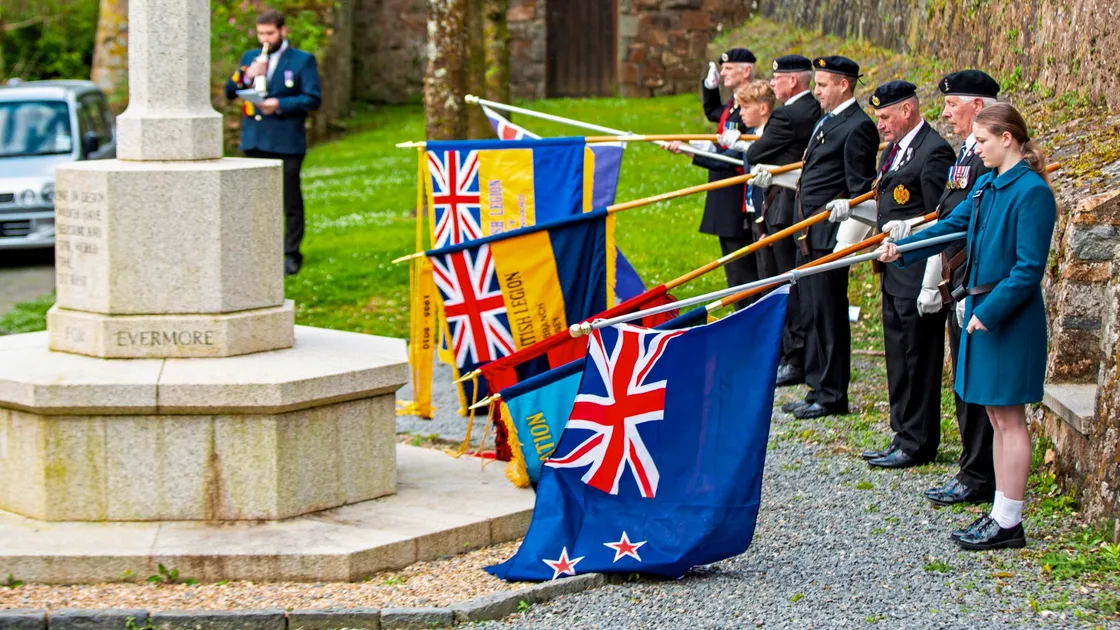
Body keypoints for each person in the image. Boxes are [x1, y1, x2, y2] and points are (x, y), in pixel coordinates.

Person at [879, 103, 1056, 550]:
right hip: (982, 313)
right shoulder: (986, 187)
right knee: (995, 417)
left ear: (1007, 139)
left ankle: (1010, 521)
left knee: (1010, 419)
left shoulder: (1031, 192)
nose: (974, 149)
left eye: (982, 141)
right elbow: (952, 226)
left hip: (1005, 319)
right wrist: (903, 248)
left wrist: (987, 313)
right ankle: (999, 511)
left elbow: (1028, 269)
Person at [901, 70, 1001, 504]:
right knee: (963, 379)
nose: (944, 112)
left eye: (951, 104)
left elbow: (973, 225)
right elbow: (949, 213)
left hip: (973, 279)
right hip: (956, 276)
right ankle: (970, 468)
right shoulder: (967, 153)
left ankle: (978, 475)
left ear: (978, 106)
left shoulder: (988, 156)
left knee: (975, 383)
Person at [763, 56, 878, 420]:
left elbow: (860, 189)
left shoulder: (857, 126)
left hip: (830, 238)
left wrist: (847, 240)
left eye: (823, 84)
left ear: (844, 85)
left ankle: (832, 393)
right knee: (811, 312)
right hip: (808, 235)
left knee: (829, 316)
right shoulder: (827, 121)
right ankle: (816, 386)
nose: (817, 91)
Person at [858, 81, 956, 469]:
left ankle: (918, 441)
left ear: (907, 111)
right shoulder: (896, 152)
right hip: (894, 270)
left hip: (917, 273)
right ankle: (902, 433)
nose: (880, 125)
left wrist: (933, 282)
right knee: (898, 357)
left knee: (918, 360)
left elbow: (941, 220)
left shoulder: (933, 152)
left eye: (885, 117)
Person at [725, 55, 820, 386]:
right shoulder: (799, 113)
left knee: (783, 286)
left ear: (791, 81)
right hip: (771, 210)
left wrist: (740, 147)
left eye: (778, 78)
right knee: (771, 284)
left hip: (782, 209)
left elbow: (756, 154)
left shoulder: (789, 116)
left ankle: (793, 356)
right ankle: (782, 352)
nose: (774, 82)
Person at [224, 9, 322, 276]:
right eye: (261, 33)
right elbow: (230, 91)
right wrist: (246, 74)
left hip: (286, 140)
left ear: (282, 31)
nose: (265, 39)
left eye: (270, 33)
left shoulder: (301, 61)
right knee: (255, 199)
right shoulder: (249, 58)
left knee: (289, 199)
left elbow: (312, 98)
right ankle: (258, 250)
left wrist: (279, 104)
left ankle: (291, 253)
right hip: (255, 139)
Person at [666, 48, 758, 307]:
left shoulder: (751, 106)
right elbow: (716, 114)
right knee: (734, 272)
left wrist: (692, 152)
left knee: (744, 274)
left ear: (746, 71)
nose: (723, 73)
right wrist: (710, 88)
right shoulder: (735, 103)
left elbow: (732, 157)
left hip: (737, 196)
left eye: (729, 69)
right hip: (724, 194)